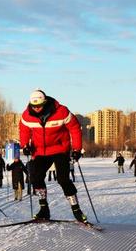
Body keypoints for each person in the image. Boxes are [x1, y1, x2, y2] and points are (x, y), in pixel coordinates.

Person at [19, 89, 87, 222]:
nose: (37, 109)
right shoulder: (27, 115)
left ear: (45, 102)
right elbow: (24, 129)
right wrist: (25, 145)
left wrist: (77, 149)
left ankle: (76, 210)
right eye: (34, 106)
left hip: (60, 149)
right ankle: (44, 209)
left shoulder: (61, 111)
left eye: (39, 106)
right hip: (40, 151)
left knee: (63, 179)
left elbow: (75, 128)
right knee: (35, 177)